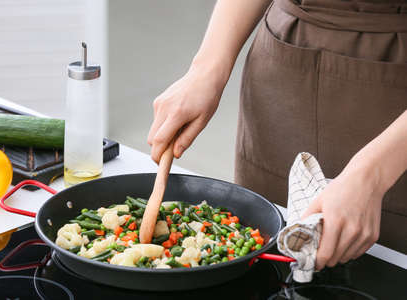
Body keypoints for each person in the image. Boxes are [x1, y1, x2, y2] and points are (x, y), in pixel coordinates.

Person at [147, 0, 407, 270]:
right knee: (261, 257)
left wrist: (373, 176)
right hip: (283, 75)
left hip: (394, 115)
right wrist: (207, 68)